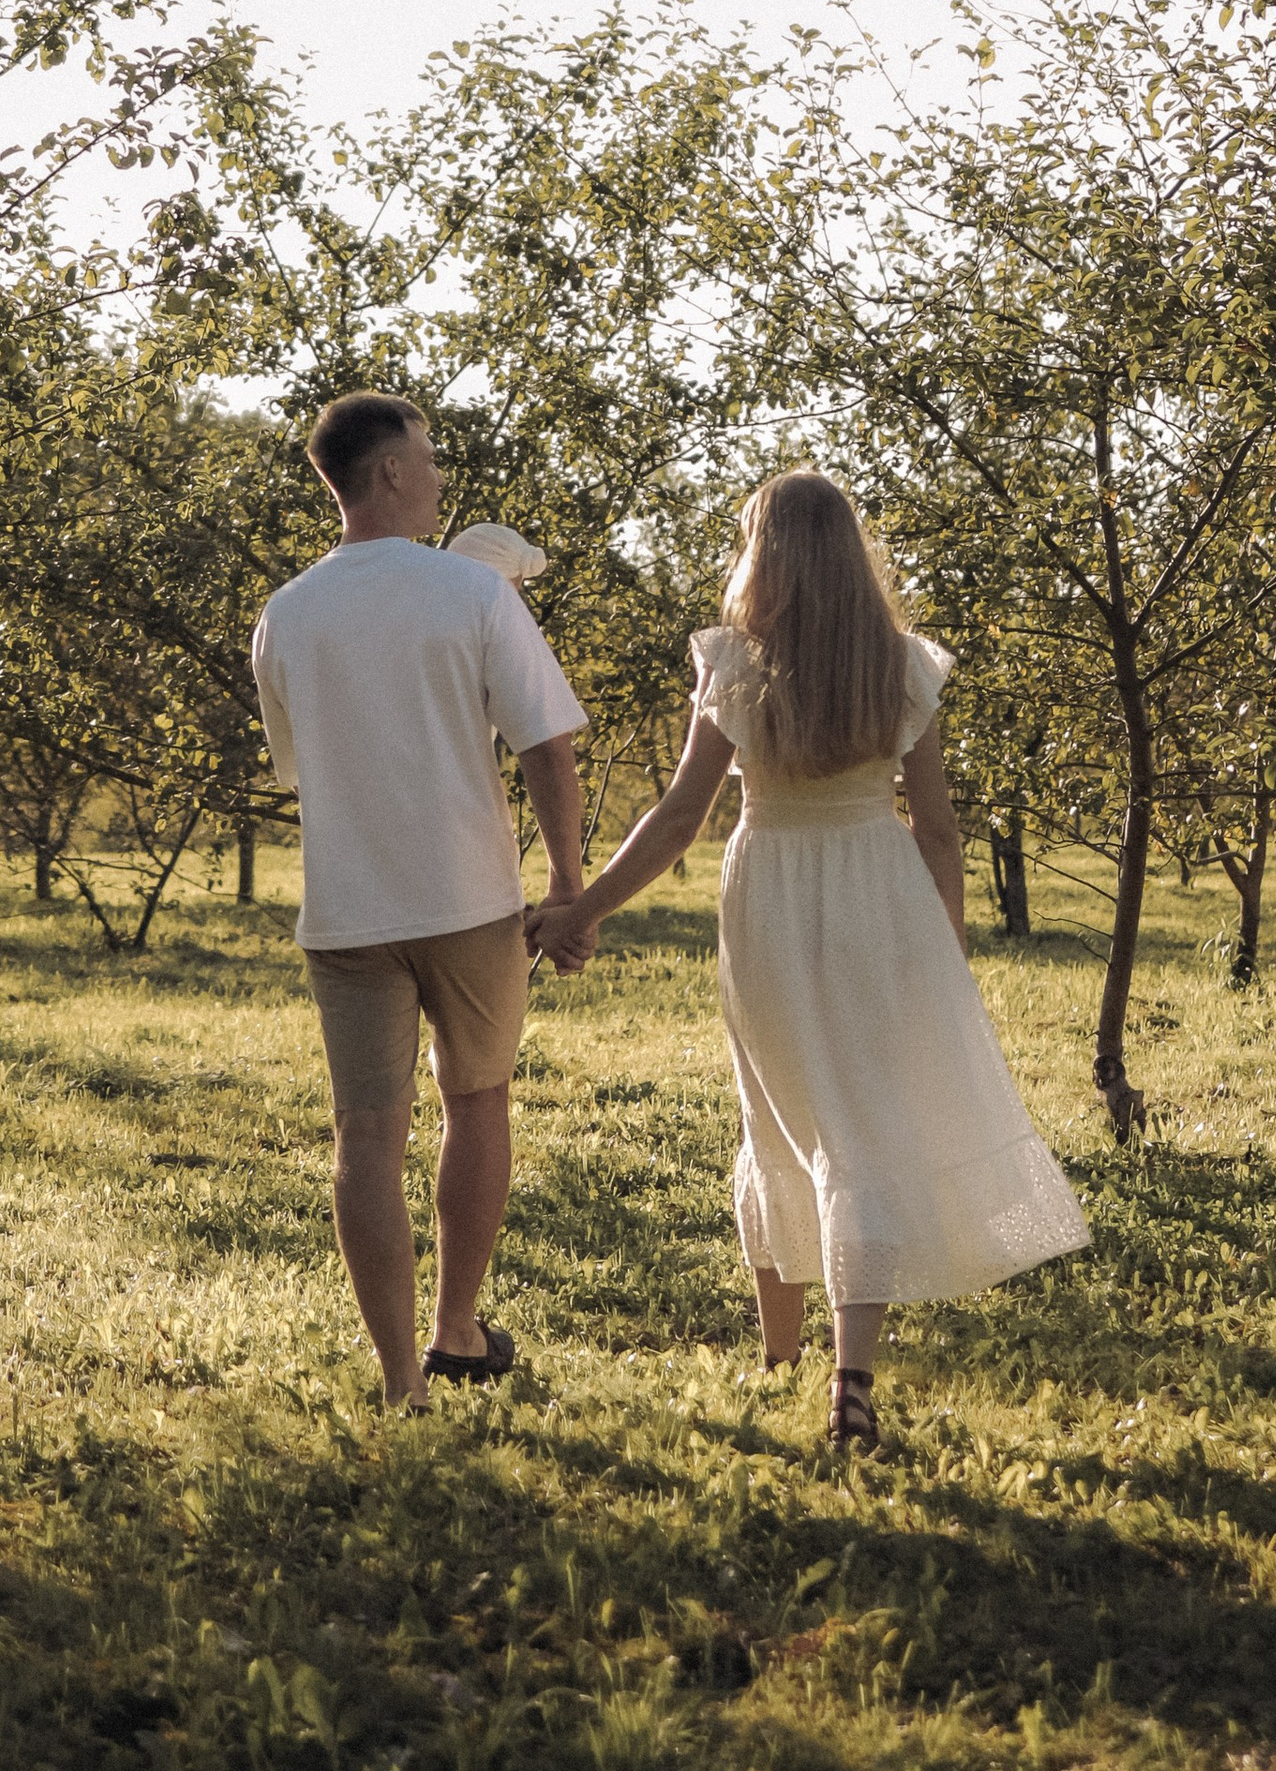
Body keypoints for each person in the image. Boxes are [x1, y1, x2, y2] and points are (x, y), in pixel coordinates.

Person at [533, 470, 1086, 1448]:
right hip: (882, 897)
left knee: (779, 1119)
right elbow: (940, 830)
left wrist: (585, 907)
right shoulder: (902, 666)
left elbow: (677, 818)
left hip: (770, 897)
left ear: (765, 554)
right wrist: (943, 950)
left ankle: (780, 1358)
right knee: (861, 1128)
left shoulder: (737, 664)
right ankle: (845, 1377)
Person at [251, 394, 588, 1407]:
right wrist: (570, 885)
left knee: (365, 1134)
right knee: (476, 1099)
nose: (440, 476)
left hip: (347, 912)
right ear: (388, 472)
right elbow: (546, 744)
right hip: (468, 902)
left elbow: (300, 768)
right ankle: (456, 1327)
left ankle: (402, 1382)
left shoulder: (284, 616)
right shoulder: (472, 594)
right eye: (429, 459)